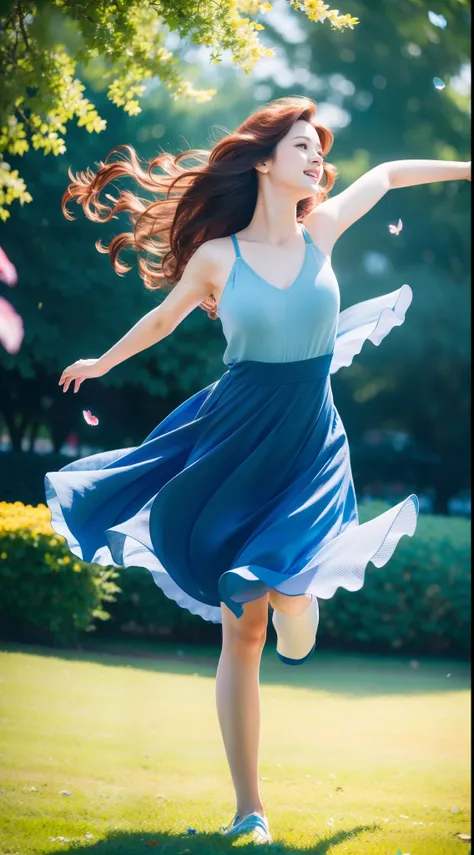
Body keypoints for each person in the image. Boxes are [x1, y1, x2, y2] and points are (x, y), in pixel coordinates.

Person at [44, 96, 470, 844]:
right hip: (234, 439)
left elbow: (394, 173)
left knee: (292, 623)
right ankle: (251, 807)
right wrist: (103, 359)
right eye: (301, 146)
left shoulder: (324, 230)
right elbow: (163, 319)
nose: (316, 158)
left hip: (307, 444)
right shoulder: (218, 258)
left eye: (319, 149)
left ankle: (300, 602)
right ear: (266, 161)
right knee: (242, 626)